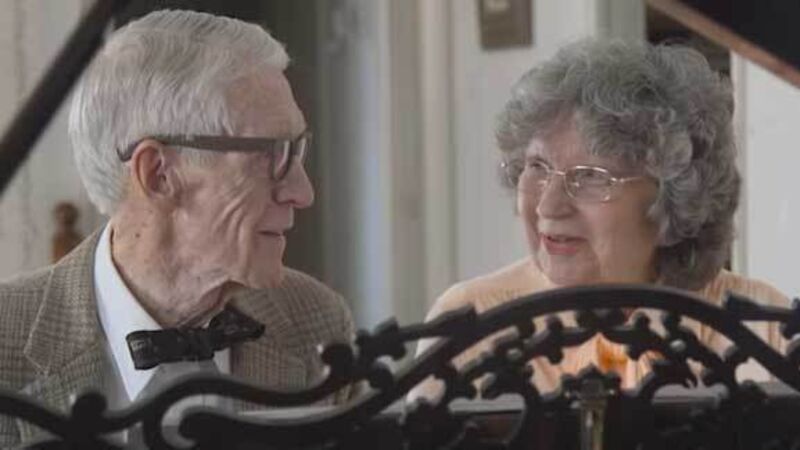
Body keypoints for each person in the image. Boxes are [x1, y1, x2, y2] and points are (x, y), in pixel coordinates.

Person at [0, 10, 355, 446]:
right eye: (273, 155)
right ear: (158, 174)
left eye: (297, 150)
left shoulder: (316, 323)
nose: (302, 192)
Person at [408, 38, 789, 401]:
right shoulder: (469, 326)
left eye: (591, 176)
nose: (548, 207)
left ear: (675, 196)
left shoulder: (765, 332)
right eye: (537, 166)